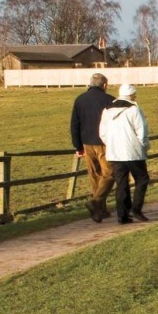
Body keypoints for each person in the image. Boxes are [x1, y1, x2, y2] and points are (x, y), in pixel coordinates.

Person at [98, 83, 151, 225]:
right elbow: (142, 131)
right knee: (142, 179)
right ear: (132, 95)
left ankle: (122, 215)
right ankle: (136, 209)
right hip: (133, 151)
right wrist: (144, 146)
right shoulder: (134, 109)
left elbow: (102, 133)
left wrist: (111, 144)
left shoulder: (107, 110)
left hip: (114, 152)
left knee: (121, 183)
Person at [70, 73, 115, 222]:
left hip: (87, 143)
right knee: (110, 174)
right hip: (104, 143)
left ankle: (99, 211)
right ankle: (96, 203)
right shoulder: (109, 100)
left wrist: (78, 146)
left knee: (95, 175)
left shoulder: (80, 100)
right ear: (104, 85)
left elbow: (75, 125)